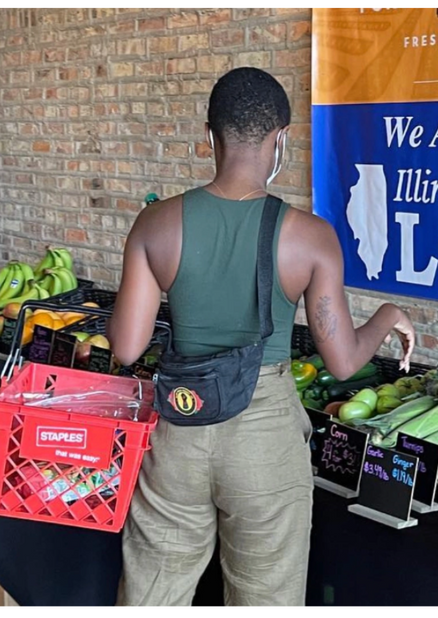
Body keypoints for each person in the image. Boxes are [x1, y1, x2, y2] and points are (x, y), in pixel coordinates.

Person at [108, 67, 416, 606]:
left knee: (153, 590)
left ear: (210, 136)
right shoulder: (311, 237)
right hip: (265, 435)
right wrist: (388, 314)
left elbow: (127, 348)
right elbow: (343, 361)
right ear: (281, 140)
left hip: (178, 425)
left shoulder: (155, 224)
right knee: (266, 597)